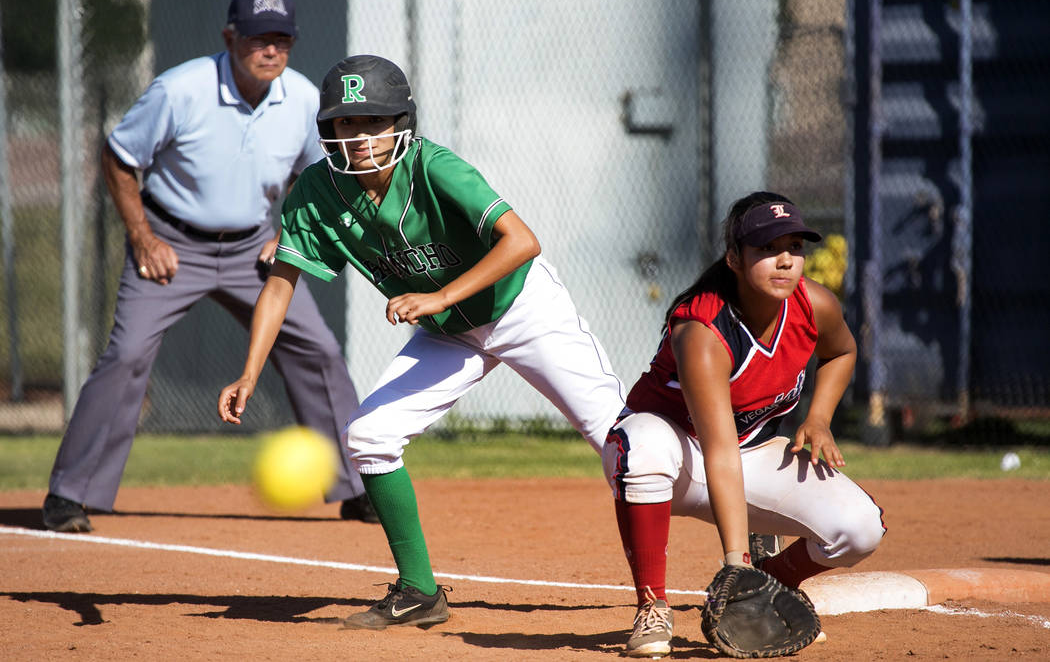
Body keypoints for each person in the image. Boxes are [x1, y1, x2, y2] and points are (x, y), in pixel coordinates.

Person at [218, 54, 627, 630]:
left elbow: (522, 242)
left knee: (626, 448)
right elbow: (281, 283)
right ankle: (419, 591)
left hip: (522, 307)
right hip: (450, 335)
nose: (357, 136)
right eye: (343, 124)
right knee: (370, 435)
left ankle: (746, 531)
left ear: (400, 122)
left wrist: (437, 298)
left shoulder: (435, 168)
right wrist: (250, 372)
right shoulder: (317, 191)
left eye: (372, 122)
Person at [42, 0, 377, 533]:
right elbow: (120, 157)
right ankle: (70, 494)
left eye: (282, 39)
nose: (270, 50)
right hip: (173, 244)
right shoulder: (181, 90)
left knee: (316, 348)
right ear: (230, 37)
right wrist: (143, 236)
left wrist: (288, 229)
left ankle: (360, 486)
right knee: (126, 355)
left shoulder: (301, 99)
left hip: (253, 247)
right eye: (257, 39)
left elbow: (317, 176)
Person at [602, 192, 886, 658]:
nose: (785, 261)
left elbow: (842, 351)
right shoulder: (703, 330)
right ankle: (652, 607)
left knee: (860, 528)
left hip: (748, 450)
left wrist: (818, 417)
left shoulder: (814, 304)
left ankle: (773, 585)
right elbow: (718, 451)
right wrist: (737, 563)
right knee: (645, 445)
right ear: (733, 258)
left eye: (795, 247)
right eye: (767, 248)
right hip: (674, 458)